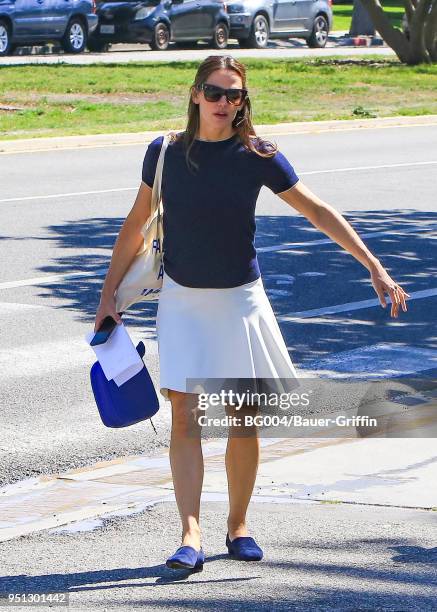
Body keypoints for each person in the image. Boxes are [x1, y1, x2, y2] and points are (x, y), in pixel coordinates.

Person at [94, 55, 410, 572]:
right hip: (183, 300)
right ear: (195, 94)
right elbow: (135, 225)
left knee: (244, 419)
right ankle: (190, 534)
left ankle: (237, 525)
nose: (224, 103)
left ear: (244, 101)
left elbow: (317, 209)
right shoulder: (164, 152)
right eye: (215, 93)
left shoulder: (256, 153)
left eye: (234, 95)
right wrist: (108, 298)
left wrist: (373, 264)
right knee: (186, 418)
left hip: (240, 301)